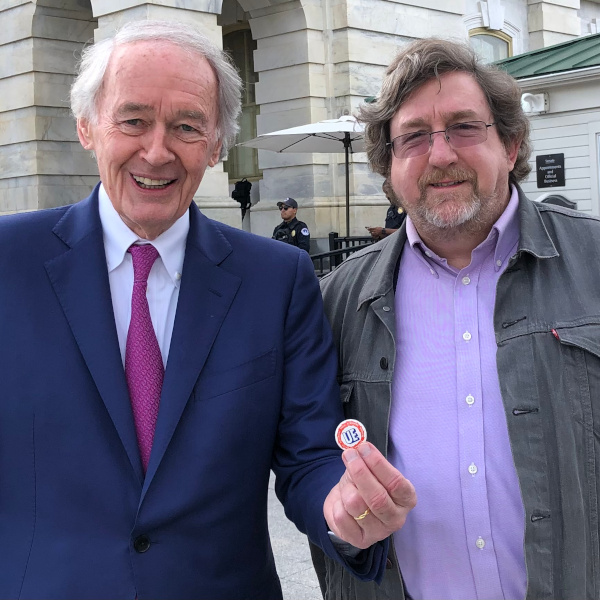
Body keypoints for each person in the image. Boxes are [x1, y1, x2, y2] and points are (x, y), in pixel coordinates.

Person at [0, 20, 415, 600]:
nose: (157, 150)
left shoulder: (277, 280)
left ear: (217, 144)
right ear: (88, 127)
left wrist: (343, 503)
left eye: (187, 126)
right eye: (133, 119)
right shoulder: (10, 261)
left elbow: (311, 454)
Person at [311, 37, 600, 600]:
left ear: (511, 145)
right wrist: (336, 510)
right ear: (390, 166)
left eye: (465, 127)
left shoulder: (595, 265)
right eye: (414, 137)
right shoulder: (337, 301)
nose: (440, 155)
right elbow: (307, 460)